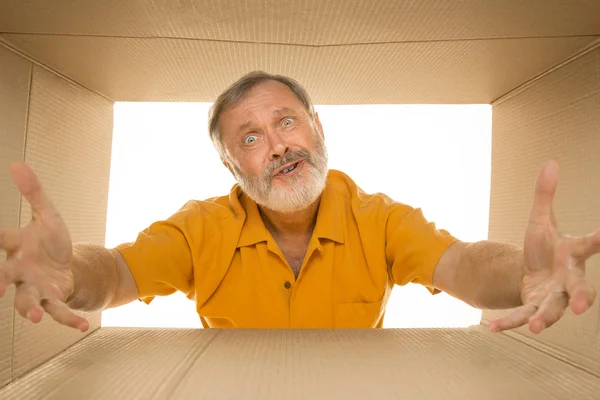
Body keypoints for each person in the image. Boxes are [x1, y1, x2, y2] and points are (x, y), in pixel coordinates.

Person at [1, 71, 598, 333]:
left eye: (287, 122)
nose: (280, 145)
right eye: (251, 138)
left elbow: (462, 263)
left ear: (316, 126)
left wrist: (525, 272)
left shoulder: (381, 219)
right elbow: (119, 271)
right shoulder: (199, 228)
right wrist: (70, 274)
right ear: (231, 165)